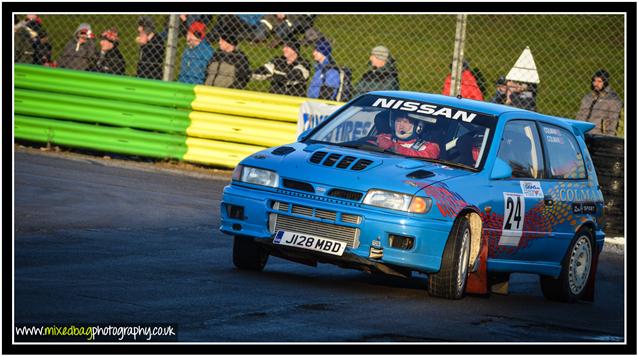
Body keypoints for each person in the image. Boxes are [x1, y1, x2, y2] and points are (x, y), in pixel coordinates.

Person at [575, 69, 623, 136]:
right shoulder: (588, 97)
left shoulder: (613, 100)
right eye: (594, 81)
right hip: (581, 132)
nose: (595, 84)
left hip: (599, 135)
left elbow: (613, 123)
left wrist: (609, 139)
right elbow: (579, 115)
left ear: (605, 82)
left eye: (599, 81)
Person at [371, 114, 440, 159]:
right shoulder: (383, 137)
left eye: (405, 122)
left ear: (419, 127)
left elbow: (426, 158)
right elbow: (364, 145)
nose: (401, 125)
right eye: (398, 121)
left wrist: (395, 147)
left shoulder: (430, 147)